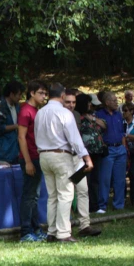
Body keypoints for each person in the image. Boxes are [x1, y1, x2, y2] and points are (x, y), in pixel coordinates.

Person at [35, 83, 93, 243]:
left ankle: (52, 231)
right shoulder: (64, 113)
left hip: (44, 155)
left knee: (52, 196)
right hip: (61, 155)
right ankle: (63, 233)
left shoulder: (40, 113)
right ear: (62, 96)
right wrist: (86, 157)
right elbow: (74, 138)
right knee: (65, 194)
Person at [63, 92, 101, 237]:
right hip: (64, 159)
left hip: (77, 158)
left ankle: (85, 225)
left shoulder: (77, 115)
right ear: (62, 101)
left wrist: (85, 157)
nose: (71, 105)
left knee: (83, 190)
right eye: (68, 102)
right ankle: (65, 227)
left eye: (73, 102)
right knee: (67, 193)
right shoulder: (58, 115)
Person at [17, 80, 48, 242]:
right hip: (30, 157)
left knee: (34, 195)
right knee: (29, 196)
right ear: (32, 93)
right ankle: (25, 231)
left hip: (39, 156)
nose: (44, 96)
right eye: (41, 93)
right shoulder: (25, 111)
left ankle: (35, 228)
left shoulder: (37, 110)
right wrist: (28, 161)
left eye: (45, 93)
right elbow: (21, 137)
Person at [95, 92, 127, 213]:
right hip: (108, 149)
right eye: (113, 100)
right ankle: (102, 205)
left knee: (120, 179)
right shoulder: (99, 115)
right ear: (107, 102)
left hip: (120, 148)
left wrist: (124, 148)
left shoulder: (119, 114)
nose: (116, 102)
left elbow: (122, 133)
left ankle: (118, 204)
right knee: (105, 179)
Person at [76, 94, 108, 213]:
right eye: (88, 103)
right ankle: (83, 206)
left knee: (95, 180)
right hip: (84, 154)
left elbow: (105, 126)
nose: (90, 105)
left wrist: (93, 119)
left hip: (97, 152)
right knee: (84, 181)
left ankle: (94, 206)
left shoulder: (93, 115)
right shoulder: (77, 117)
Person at [0, 81, 23, 164]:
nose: (20, 97)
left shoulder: (17, 106)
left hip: (15, 148)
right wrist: (16, 126)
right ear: (11, 94)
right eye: (19, 94)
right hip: (3, 149)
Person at [122, 102, 134, 206]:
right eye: (123, 111)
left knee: (133, 173)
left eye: (126, 111)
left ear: (132, 111)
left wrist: (127, 136)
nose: (124, 113)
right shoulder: (122, 122)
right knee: (123, 174)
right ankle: (123, 197)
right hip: (125, 149)